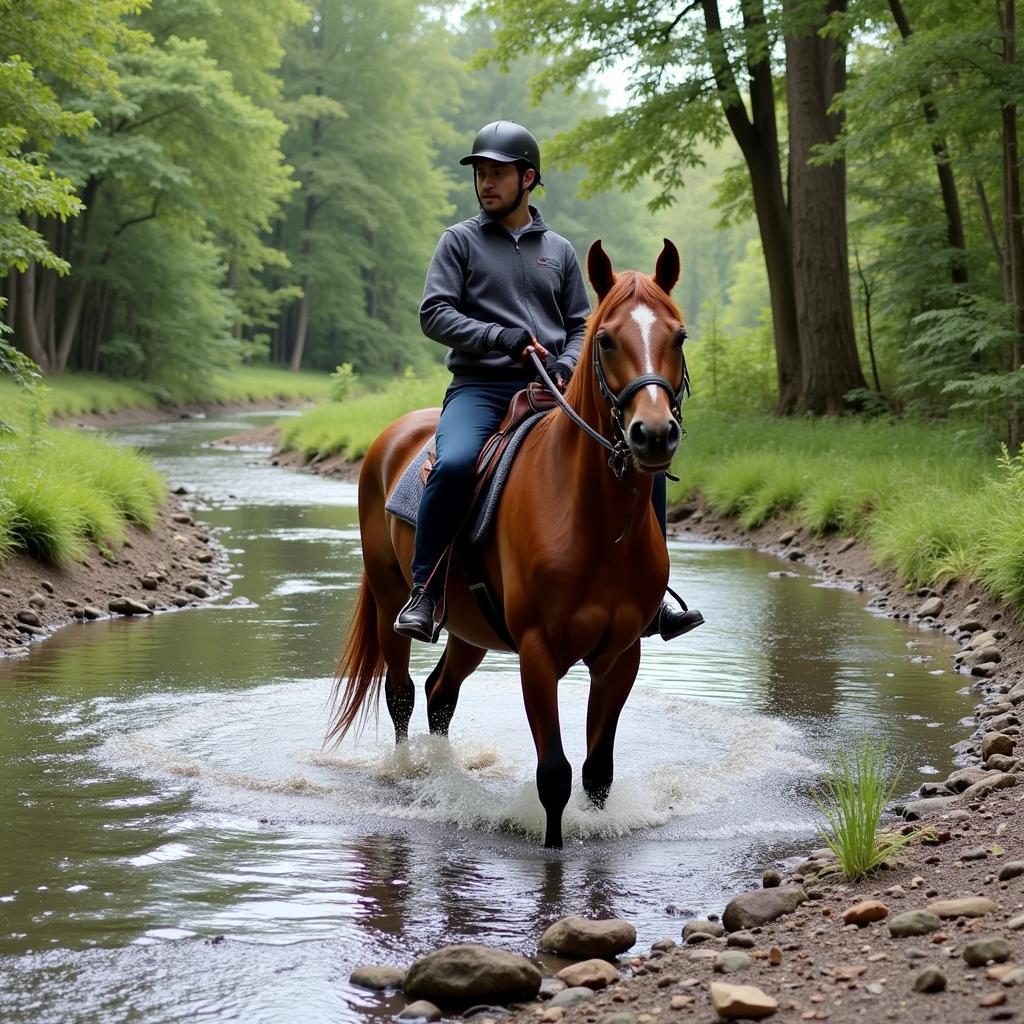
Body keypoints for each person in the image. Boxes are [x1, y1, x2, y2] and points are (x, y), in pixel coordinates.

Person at [394, 119, 704, 644]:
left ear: (528, 178)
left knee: (641, 466)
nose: (486, 183)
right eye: (481, 174)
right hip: (480, 389)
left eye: (498, 173)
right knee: (452, 464)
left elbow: (584, 325)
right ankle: (425, 590)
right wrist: (501, 337)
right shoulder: (459, 242)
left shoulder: (558, 250)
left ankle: (654, 598)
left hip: (552, 392)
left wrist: (565, 364)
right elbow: (434, 313)